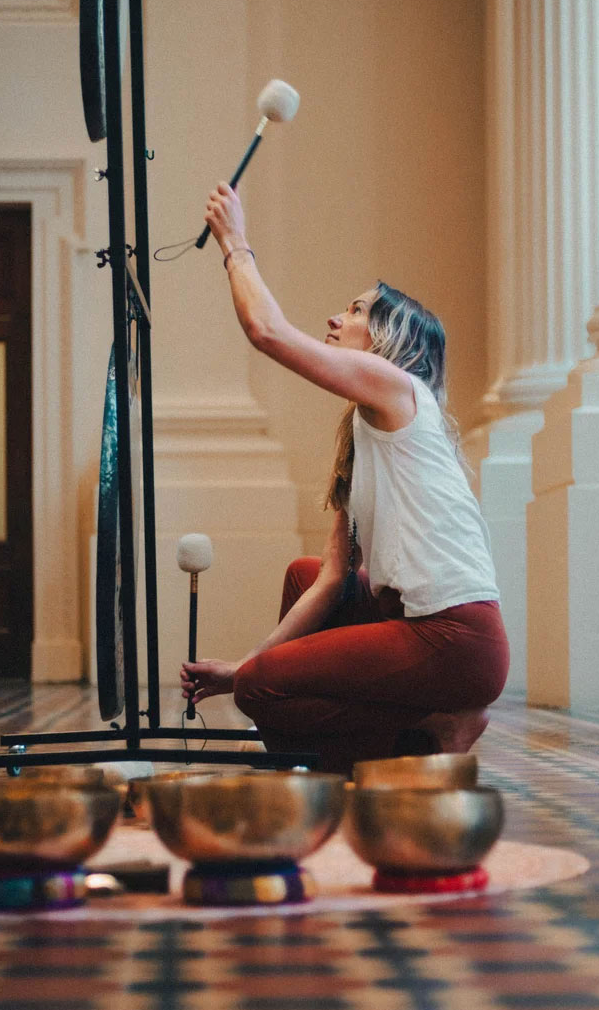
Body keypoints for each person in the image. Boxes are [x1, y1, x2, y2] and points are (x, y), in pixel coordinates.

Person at [180, 182, 509, 774]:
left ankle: (430, 729)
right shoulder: (367, 429)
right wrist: (242, 663)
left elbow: (269, 333)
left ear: (390, 340)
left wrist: (236, 242)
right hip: (417, 628)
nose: (337, 316)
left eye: (357, 310)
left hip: (456, 640)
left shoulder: (397, 388)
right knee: (303, 576)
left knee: (262, 691)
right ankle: (321, 763)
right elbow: (334, 577)